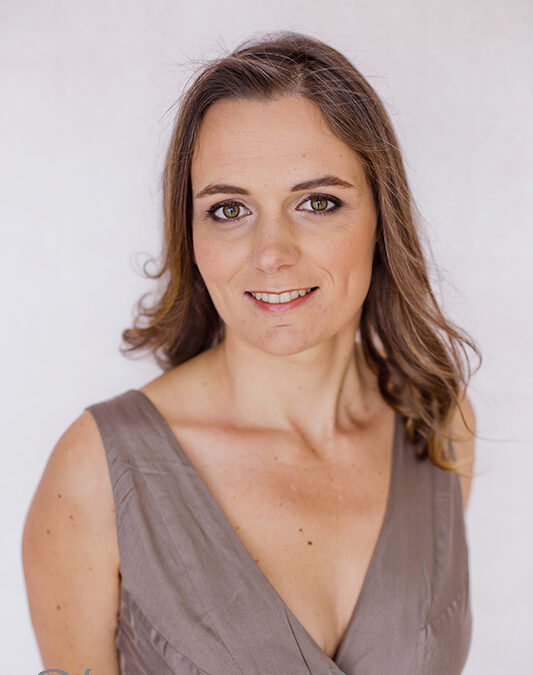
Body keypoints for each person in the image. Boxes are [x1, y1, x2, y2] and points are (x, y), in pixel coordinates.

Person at [22, 30, 481, 675]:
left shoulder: (438, 425)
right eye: (229, 209)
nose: (271, 254)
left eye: (317, 202)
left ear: (383, 216)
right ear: (190, 233)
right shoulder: (96, 471)